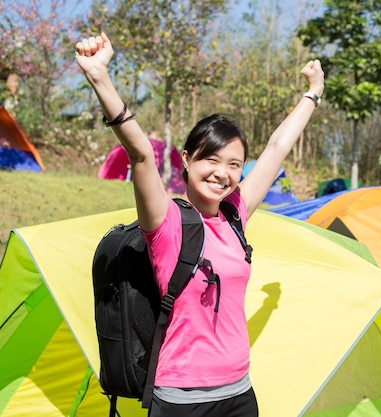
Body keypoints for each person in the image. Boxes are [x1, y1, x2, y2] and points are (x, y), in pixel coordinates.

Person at [75, 32, 324, 417]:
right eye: (211, 159)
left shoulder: (234, 215)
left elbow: (277, 148)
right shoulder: (166, 222)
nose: (222, 173)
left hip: (240, 392)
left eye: (234, 164)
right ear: (187, 159)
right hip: (181, 398)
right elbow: (140, 154)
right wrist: (98, 76)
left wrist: (313, 92)